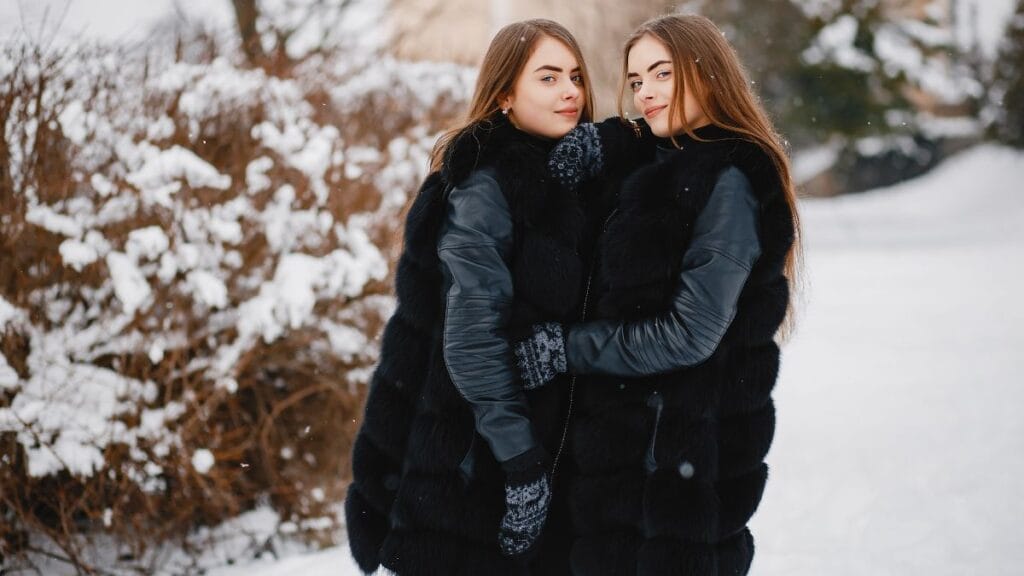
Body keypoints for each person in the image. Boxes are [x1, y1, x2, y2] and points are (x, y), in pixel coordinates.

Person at [515, 14, 803, 575]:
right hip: (626, 464)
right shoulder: (667, 161)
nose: (646, 91)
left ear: (707, 71)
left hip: (673, 470)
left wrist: (562, 349)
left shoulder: (730, 180)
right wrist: (602, 143)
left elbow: (688, 335)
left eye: (662, 73)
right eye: (637, 79)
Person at [345, 19, 596, 575]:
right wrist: (522, 464)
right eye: (548, 77)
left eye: (576, 76)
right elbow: (473, 340)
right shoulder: (487, 185)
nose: (570, 91)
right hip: (476, 467)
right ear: (505, 94)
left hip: (535, 454)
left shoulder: (567, 176)